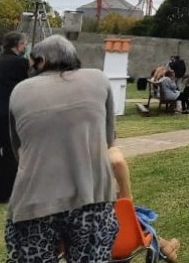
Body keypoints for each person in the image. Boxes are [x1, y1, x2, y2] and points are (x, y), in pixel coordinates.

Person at [5, 35, 118, 262]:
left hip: (33, 203)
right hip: (91, 200)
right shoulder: (99, 80)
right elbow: (109, 139)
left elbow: (19, 151)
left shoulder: (20, 91)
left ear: (42, 60)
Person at [108, 146, 181, 262]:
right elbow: (118, 162)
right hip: (121, 235)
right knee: (131, 220)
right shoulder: (101, 147)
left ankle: (166, 247)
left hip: (81, 238)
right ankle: (167, 248)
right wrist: (127, 196)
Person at [0, 32, 29, 203]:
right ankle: (7, 191)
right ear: (18, 45)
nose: (24, 47)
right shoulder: (21, 64)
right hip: (10, 113)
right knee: (11, 152)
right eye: (23, 44)